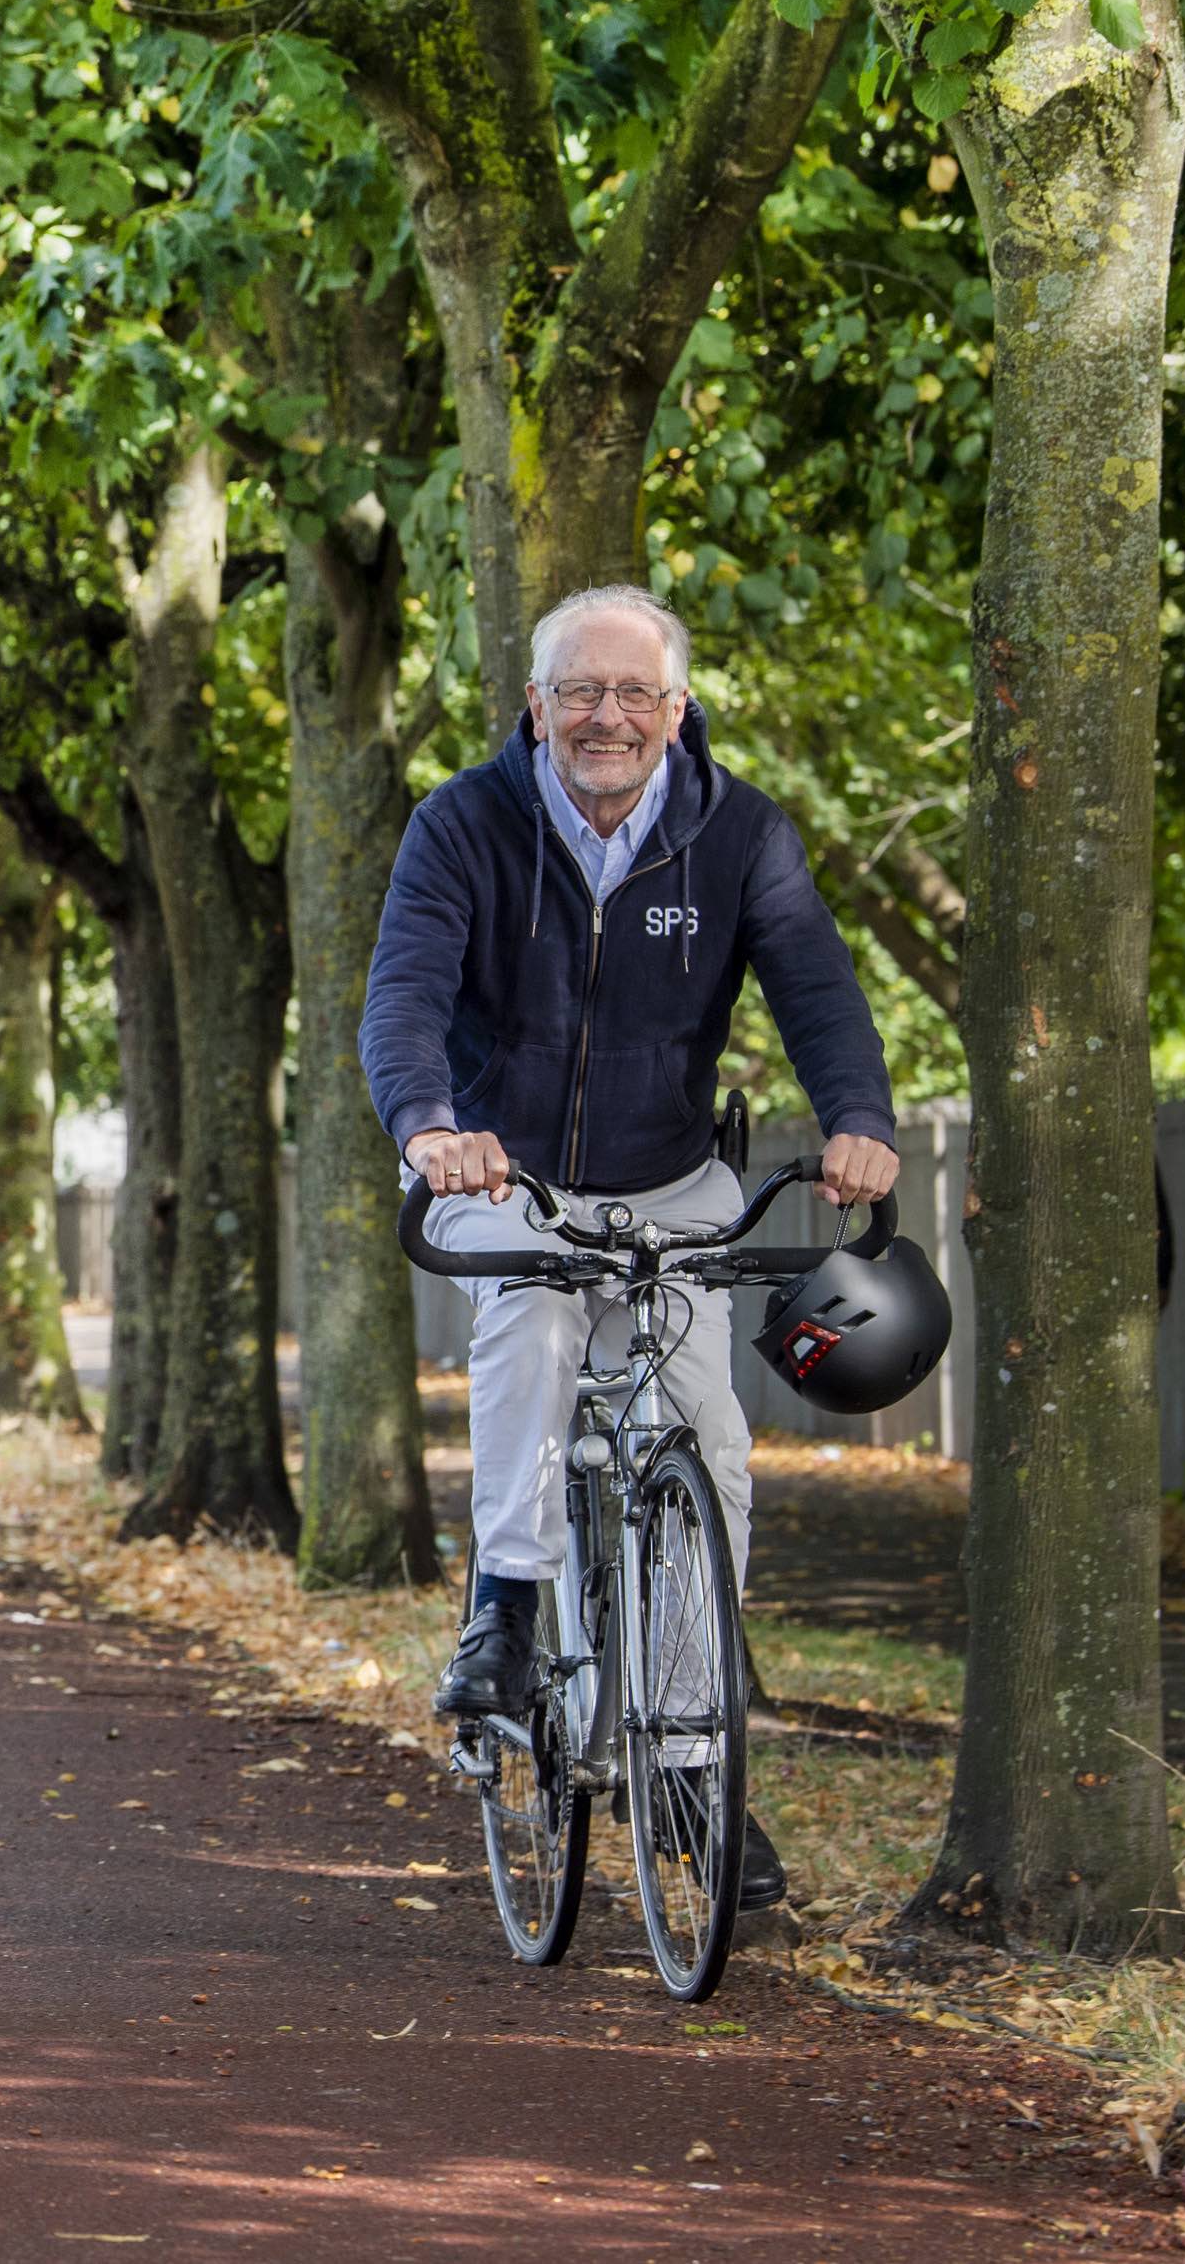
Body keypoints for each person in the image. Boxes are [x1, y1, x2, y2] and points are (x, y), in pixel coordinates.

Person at [359, 582, 898, 1911]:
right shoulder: (463, 824)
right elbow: (407, 992)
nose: (607, 716)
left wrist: (860, 1122)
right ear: (535, 706)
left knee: (705, 1432)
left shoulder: (740, 836)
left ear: (678, 709)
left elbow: (816, 985)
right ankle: (509, 1614)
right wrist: (432, 1127)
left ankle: (696, 1771)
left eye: (635, 693)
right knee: (535, 1325)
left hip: (671, 1176)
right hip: (511, 1169)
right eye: (580, 692)